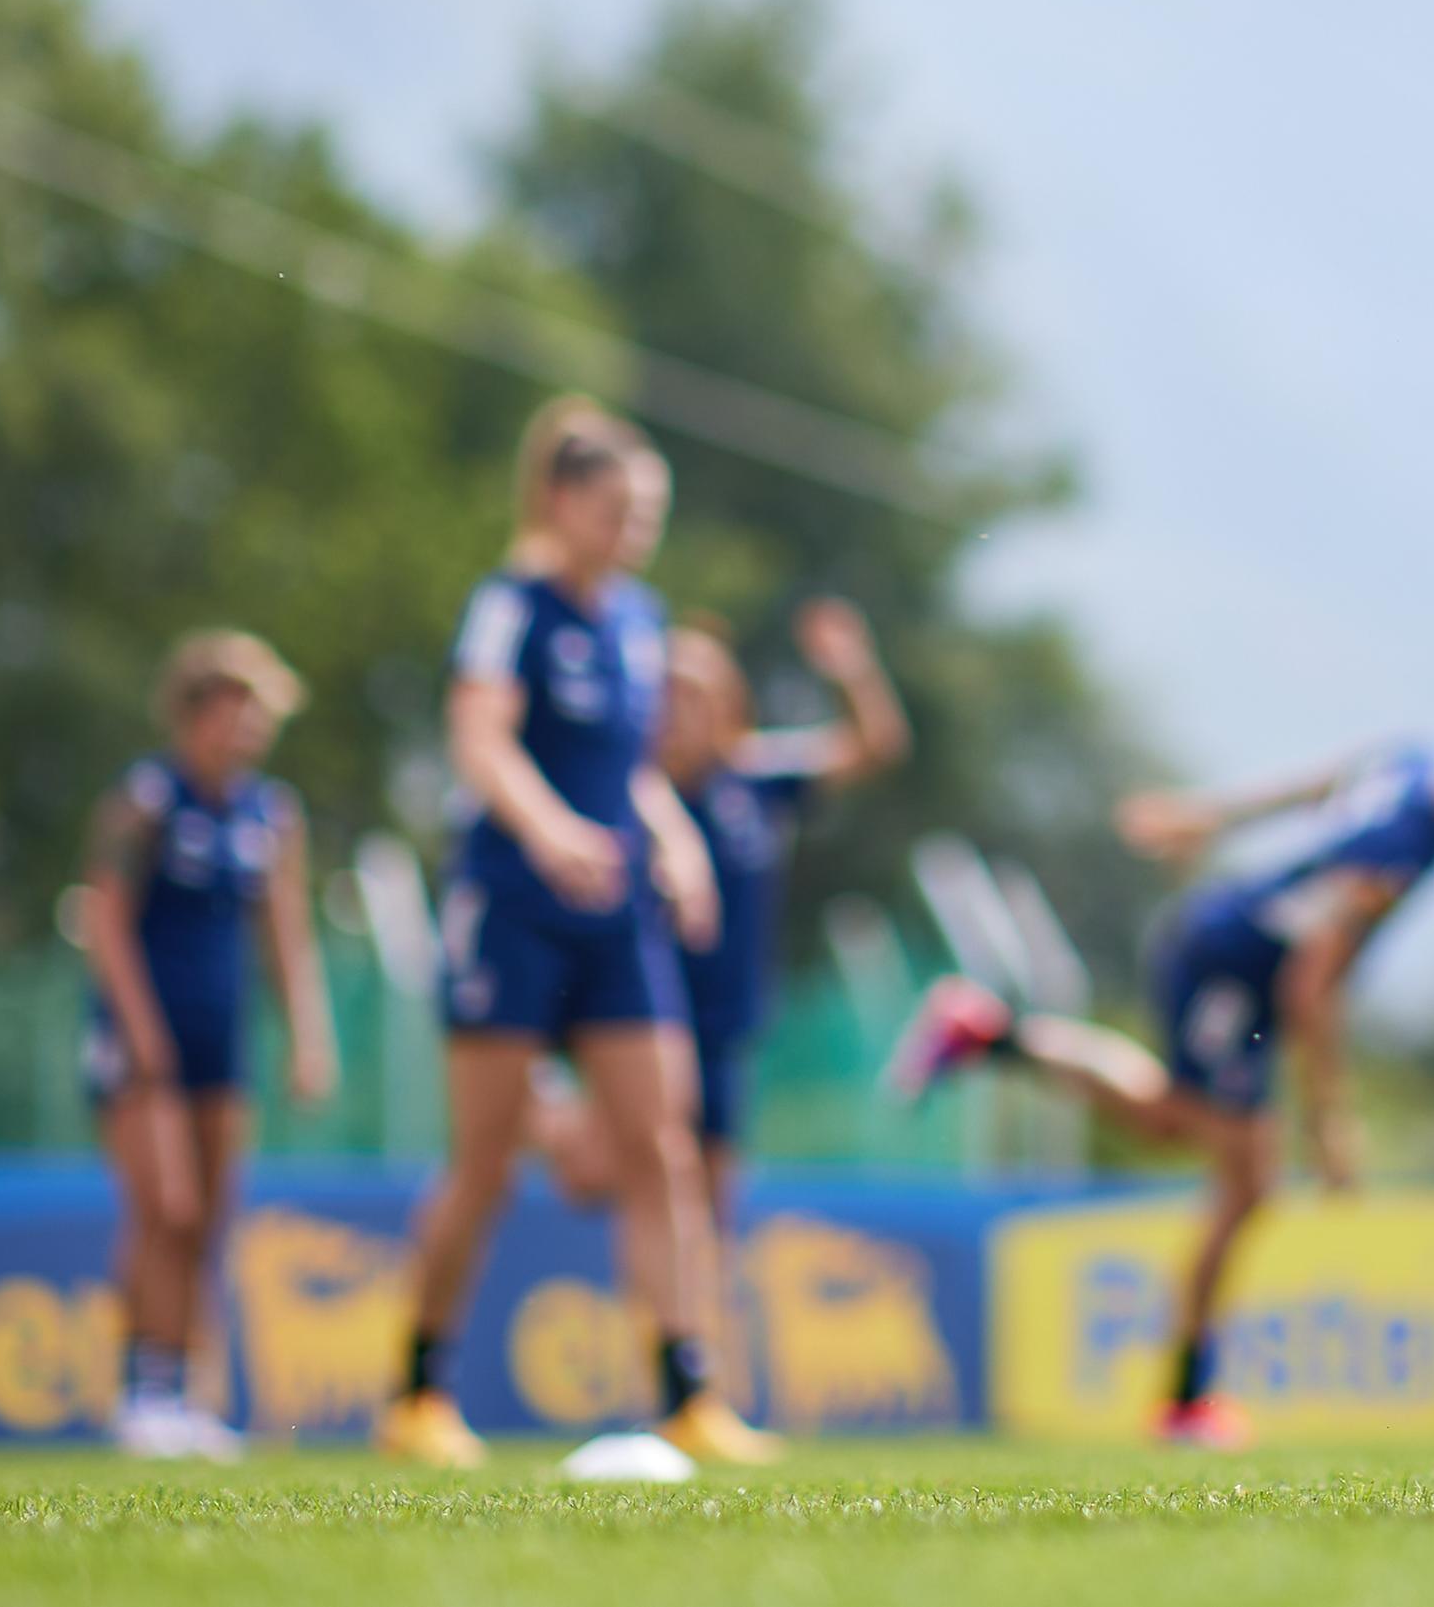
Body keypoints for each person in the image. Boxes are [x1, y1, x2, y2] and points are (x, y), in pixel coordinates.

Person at [882, 727, 1434, 1447]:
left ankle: (986, 1034)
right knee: (1244, 1182)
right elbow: (1311, 985)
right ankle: (1185, 1400)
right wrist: (1328, 1121)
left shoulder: (1412, 760)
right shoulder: (1410, 844)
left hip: (1228, 955)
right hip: (1231, 969)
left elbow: (1308, 786)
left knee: (1176, 1128)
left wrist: (1207, 818)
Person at [379, 397, 769, 1468]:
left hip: (616, 916)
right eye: (617, 509)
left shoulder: (640, 619)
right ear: (560, 500)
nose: (635, 529)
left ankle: (689, 1393)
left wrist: (676, 838)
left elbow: (629, 767)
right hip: (513, 903)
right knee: (486, 1159)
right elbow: (480, 738)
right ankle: (418, 1391)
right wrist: (549, 829)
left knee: (663, 1147)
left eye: (648, 513)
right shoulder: (509, 606)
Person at [541, 600, 909, 1407]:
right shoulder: (622, 788)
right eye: (667, 691)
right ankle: (551, 1119)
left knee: (705, 1209)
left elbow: (877, 744)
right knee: (622, 1180)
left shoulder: (757, 781)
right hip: (636, 1024)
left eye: (698, 693)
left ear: (729, 705)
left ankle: (687, 1381)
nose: (680, 708)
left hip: (725, 1031)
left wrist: (851, 668)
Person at [76, 630, 338, 1459]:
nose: (248, 729)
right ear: (195, 711)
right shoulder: (148, 799)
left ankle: (187, 1393)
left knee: (210, 1216)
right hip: (142, 1036)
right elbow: (105, 919)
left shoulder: (271, 814)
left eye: (259, 714)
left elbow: (284, 931)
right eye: (234, 709)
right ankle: (142, 1389)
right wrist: (141, 1029)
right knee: (166, 1205)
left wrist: (307, 1033)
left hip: (221, 1038)